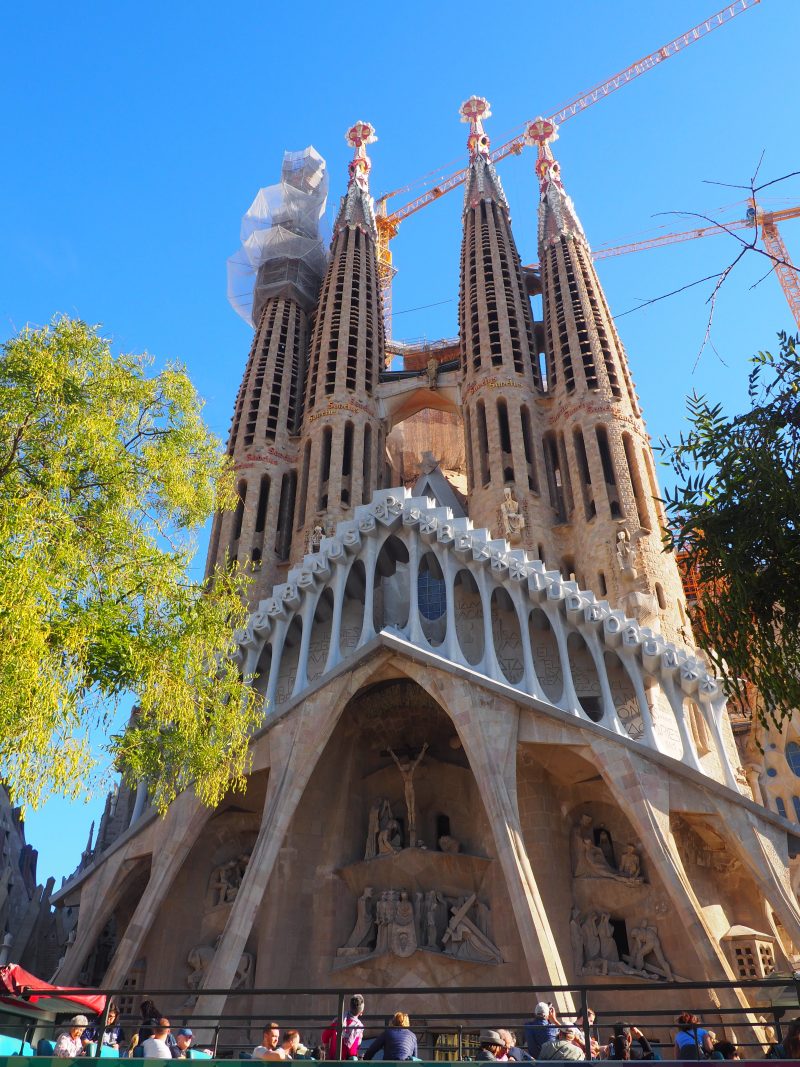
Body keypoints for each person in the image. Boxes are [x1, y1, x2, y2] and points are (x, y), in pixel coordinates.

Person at [322, 994, 365, 1059]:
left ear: (350, 1007)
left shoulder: (338, 1021)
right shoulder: (359, 1028)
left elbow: (324, 1036)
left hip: (334, 1059)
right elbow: (358, 1046)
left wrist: (327, 1054)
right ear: (361, 1012)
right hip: (349, 1062)